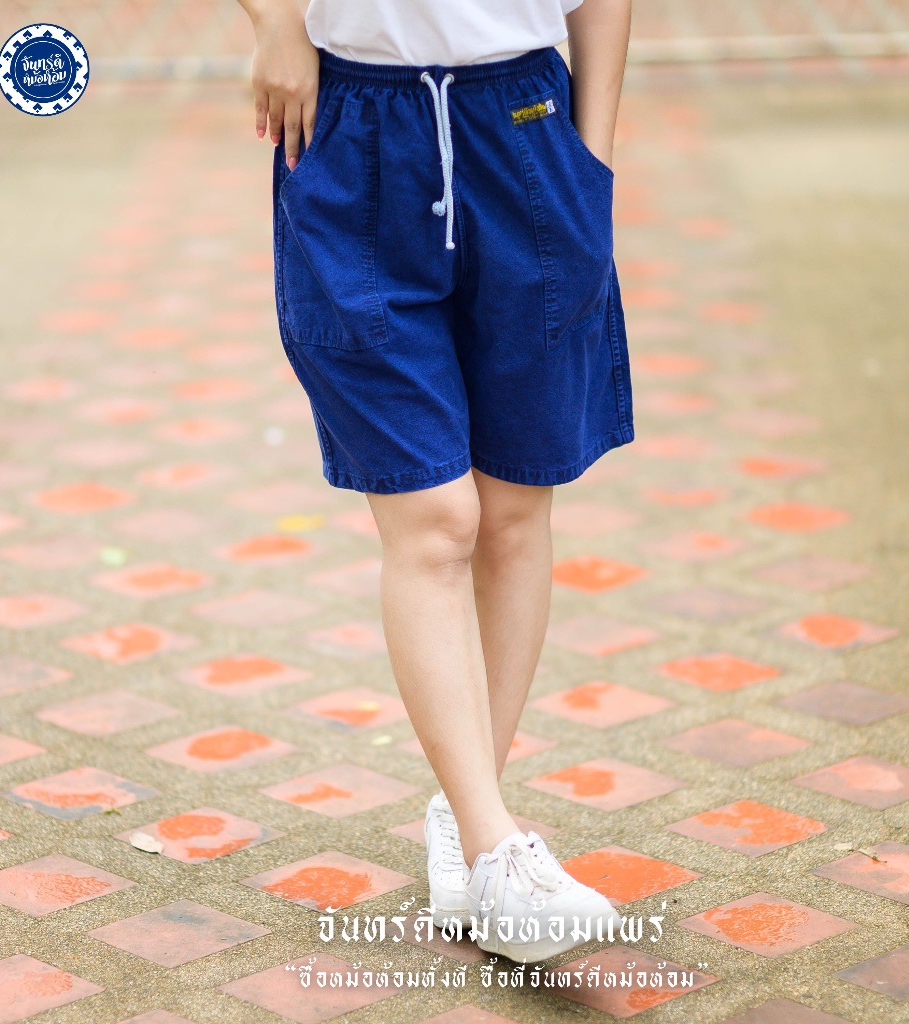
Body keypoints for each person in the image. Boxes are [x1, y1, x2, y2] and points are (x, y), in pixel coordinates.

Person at [235, 0, 635, 963]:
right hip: (351, 126)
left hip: (528, 129)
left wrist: (592, 160)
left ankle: (470, 820)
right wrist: (275, 22)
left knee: (513, 510)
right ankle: (496, 844)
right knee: (438, 517)